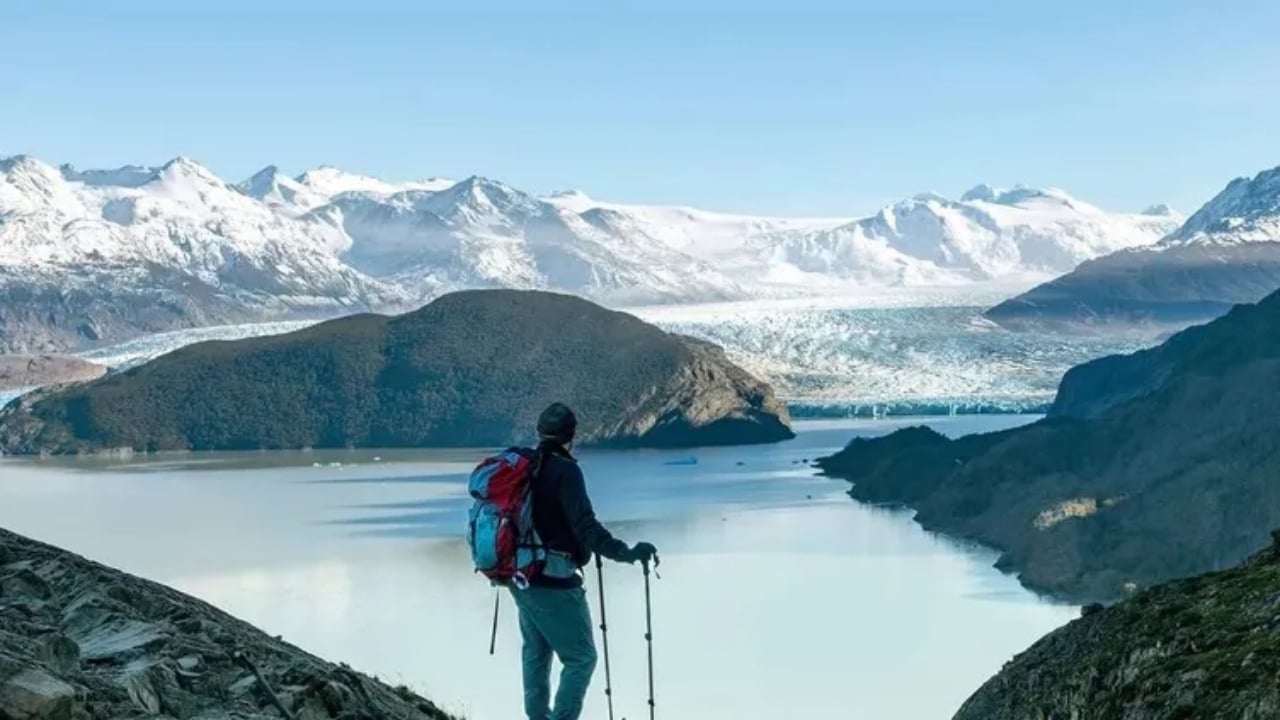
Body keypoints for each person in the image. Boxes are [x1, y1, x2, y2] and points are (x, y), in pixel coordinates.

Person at [509, 402, 657, 720]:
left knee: (536, 652)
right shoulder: (565, 470)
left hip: (519, 573)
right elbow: (585, 526)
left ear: (540, 432)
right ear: (571, 435)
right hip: (553, 576)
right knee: (581, 659)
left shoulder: (526, 466)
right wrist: (627, 553)